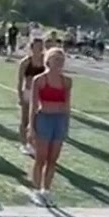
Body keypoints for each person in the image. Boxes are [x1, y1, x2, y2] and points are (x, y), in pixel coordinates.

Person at [27, 47, 71, 205]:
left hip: (59, 120)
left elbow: (67, 105)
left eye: (61, 59)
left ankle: (47, 189)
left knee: (53, 159)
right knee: (41, 158)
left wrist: (66, 125)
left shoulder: (67, 81)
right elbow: (33, 105)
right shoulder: (39, 80)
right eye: (56, 59)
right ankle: (37, 190)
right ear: (48, 60)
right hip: (44, 119)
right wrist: (31, 127)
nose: (59, 62)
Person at [16, 37, 46, 156]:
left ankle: (34, 143)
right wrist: (20, 96)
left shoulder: (45, 61)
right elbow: (19, 81)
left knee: (38, 120)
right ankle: (24, 144)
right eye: (36, 46)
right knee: (25, 119)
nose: (38, 49)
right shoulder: (26, 62)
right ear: (32, 47)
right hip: (28, 92)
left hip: (41, 94)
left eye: (40, 47)